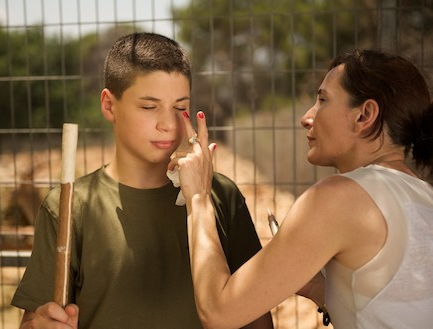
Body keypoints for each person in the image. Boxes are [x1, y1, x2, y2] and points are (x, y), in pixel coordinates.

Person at [11, 32, 273, 329]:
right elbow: (34, 321)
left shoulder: (221, 195)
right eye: (149, 107)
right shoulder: (71, 206)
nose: (166, 123)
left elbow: (257, 318)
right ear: (109, 105)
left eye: (180, 107)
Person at [172, 49, 433, 329]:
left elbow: (219, 313)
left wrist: (198, 197)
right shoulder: (424, 196)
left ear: (364, 115)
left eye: (322, 100)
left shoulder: (340, 196)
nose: (307, 117)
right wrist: (319, 289)